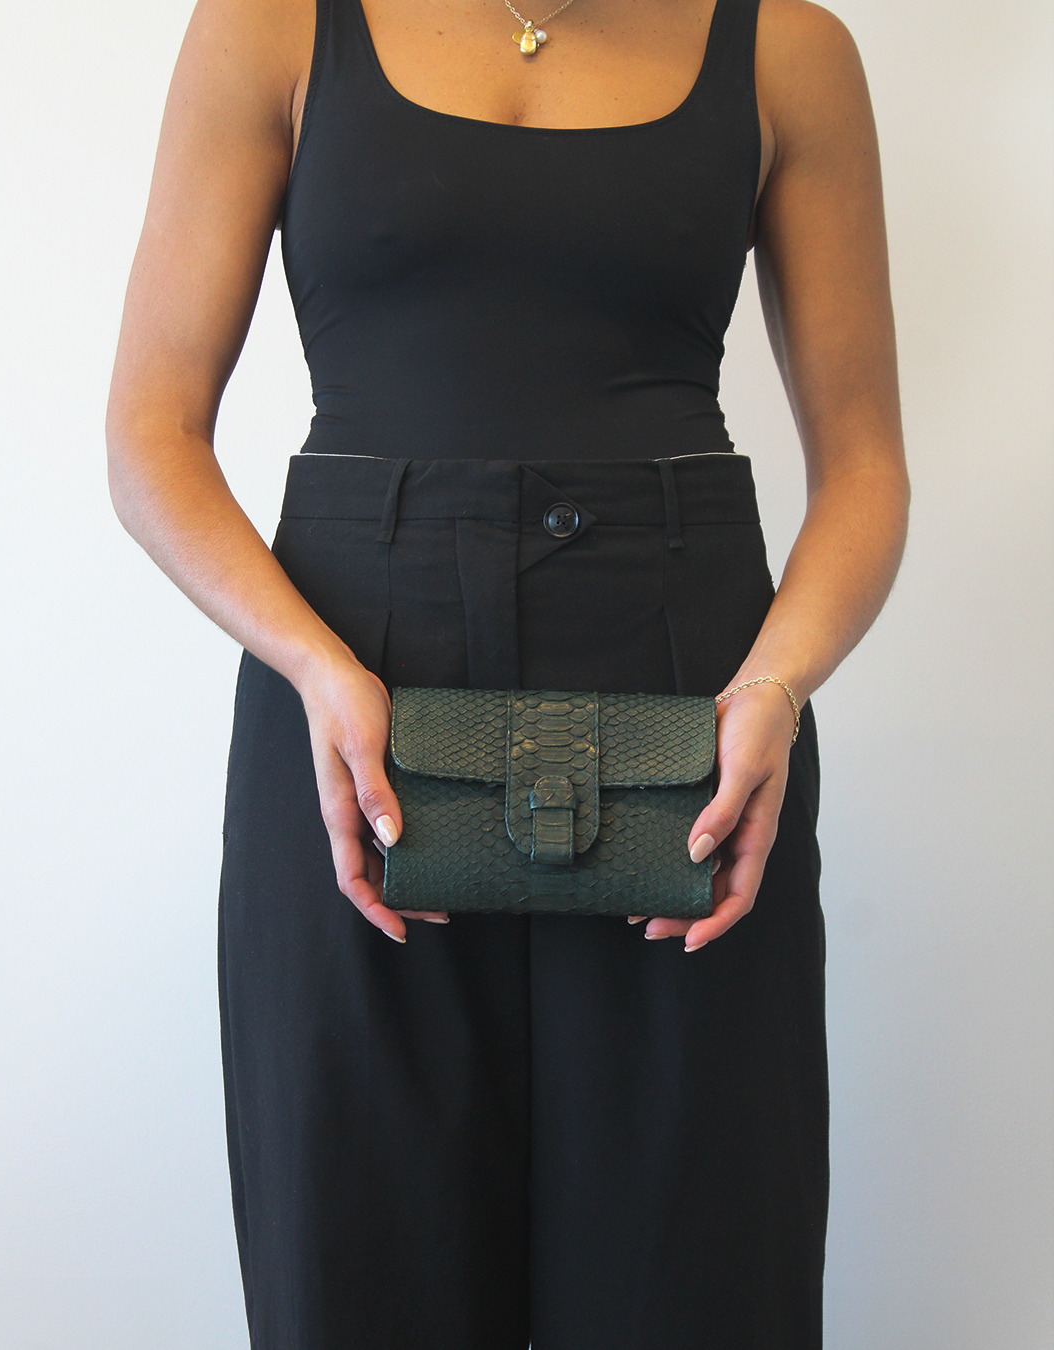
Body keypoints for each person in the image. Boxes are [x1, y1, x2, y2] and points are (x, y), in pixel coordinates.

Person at [106, 0, 909, 1342]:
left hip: (697, 731)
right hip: (355, 709)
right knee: (358, 1272)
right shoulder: (272, 28)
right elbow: (150, 432)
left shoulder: (789, 50)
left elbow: (867, 467)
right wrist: (312, 664)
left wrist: (774, 687)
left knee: (699, 1281)